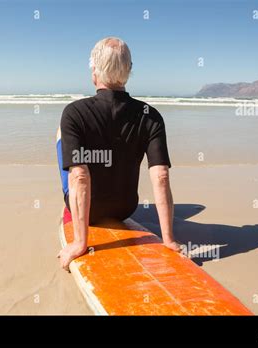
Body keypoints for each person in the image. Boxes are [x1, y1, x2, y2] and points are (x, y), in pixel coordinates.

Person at [56, 37, 180, 271]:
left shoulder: (74, 112)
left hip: (89, 213)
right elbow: (161, 176)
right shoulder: (151, 116)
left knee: (62, 138)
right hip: (126, 208)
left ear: (94, 71)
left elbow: (80, 177)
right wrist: (169, 240)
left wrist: (80, 243)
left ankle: (78, 219)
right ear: (129, 70)